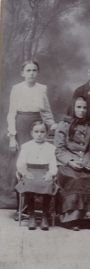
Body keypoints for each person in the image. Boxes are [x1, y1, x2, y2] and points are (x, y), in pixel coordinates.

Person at [7, 60, 57, 219]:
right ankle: (21, 208)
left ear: (37, 72)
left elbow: (47, 112)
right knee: (20, 164)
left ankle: (40, 208)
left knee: (39, 162)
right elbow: (11, 113)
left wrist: (53, 125)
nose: (31, 73)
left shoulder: (42, 89)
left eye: (34, 70)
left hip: (37, 126)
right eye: (28, 70)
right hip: (21, 126)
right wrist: (12, 136)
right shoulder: (16, 89)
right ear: (22, 73)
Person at [54, 96, 90, 231]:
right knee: (75, 178)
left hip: (86, 161)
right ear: (72, 108)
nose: (82, 110)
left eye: (84, 107)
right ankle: (71, 218)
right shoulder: (63, 125)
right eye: (78, 107)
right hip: (67, 163)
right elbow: (59, 149)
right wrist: (71, 162)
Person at [15, 121, 59, 231]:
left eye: (42, 132)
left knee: (48, 184)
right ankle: (31, 215)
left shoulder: (50, 147)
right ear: (32, 133)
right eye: (36, 132)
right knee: (29, 183)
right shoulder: (26, 146)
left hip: (44, 172)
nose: (39, 134)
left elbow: (53, 164)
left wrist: (50, 173)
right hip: (30, 171)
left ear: (47, 133)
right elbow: (20, 164)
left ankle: (45, 215)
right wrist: (25, 172)